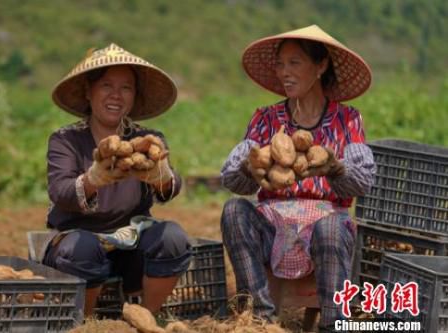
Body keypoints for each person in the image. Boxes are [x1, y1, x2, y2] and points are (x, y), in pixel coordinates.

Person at [220, 25, 376, 332]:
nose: (284, 73)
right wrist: (248, 169)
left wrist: (335, 168)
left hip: (324, 230)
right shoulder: (265, 119)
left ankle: (334, 323)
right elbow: (231, 178)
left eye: (294, 63)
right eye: (280, 64)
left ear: (320, 66)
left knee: (333, 226)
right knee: (234, 211)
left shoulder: (347, 120)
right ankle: (260, 319)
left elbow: (363, 183)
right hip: (271, 228)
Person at [42, 43, 191, 317]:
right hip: (77, 245)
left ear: (134, 96)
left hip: (131, 242)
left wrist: (163, 177)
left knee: (172, 237)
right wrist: (92, 180)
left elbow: (171, 188)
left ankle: (146, 316)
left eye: (126, 88)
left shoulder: (146, 139)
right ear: (89, 91)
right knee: (82, 248)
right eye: (106, 86)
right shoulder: (65, 140)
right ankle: (85, 321)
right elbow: (59, 190)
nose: (116, 96)